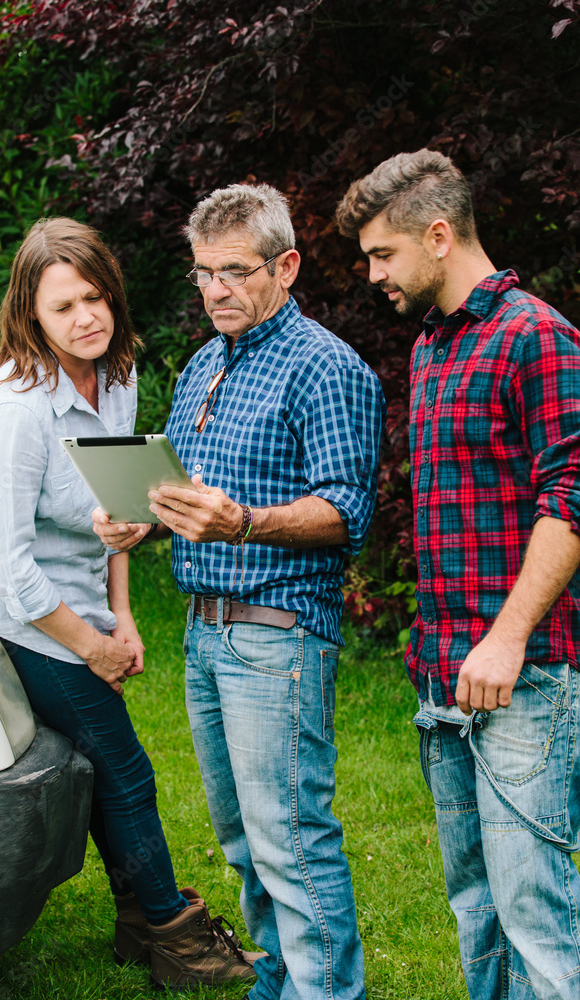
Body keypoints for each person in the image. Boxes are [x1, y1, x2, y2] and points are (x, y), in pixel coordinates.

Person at [0, 217, 260, 991]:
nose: (85, 317)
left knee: (101, 766)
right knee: (124, 770)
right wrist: (92, 646)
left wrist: (123, 614)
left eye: (95, 298)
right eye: (63, 307)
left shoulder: (114, 378)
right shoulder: (14, 412)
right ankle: (178, 939)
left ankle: (138, 927)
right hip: (8, 617)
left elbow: (117, 508)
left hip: (76, 603)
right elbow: (8, 570)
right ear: (30, 316)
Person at [93, 183, 386, 1000]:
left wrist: (246, 522)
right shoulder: (200, 367)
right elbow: (184, 495)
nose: (214, 289)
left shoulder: (325, 367)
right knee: (242, 840)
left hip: (277, 631)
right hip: (205, 631)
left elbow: (345, 509)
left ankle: (326, 992)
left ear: (285, 267)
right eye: (201, 273)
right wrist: (139, 523)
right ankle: (279, 978)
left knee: (291, 836)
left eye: (233, 270)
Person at [336, 149, 580, 1000]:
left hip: (523, 679)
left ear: (438, 236)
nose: (371, 275)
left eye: (381, 255)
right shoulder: (432, 349)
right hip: (441, 675)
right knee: (476, 911)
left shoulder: (535, 335)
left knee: (536, 920)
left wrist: (507, 641)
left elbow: (572, 494)